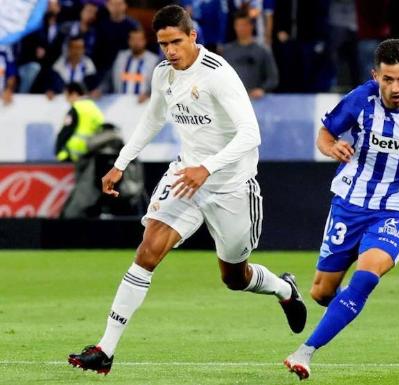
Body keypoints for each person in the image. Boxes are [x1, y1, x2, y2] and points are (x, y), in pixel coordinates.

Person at [67, 5, 306, 375]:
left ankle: (284, 289)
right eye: (163, 44)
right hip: (185, 178)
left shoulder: (218, 75)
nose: (170, 51)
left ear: (193, 36)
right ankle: (105, 349)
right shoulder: (163, 73)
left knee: (234, 278)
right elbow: (153, 118)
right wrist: (121, 163)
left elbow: (251, 134)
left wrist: (207, 168)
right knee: (147, 251)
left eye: (176, 42)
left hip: (229, 185)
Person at [283, 38, 399, 380]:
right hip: (350, 204)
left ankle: (305, 351)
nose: (396, 88)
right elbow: (325, 133)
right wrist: (332, 147)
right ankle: (335, 304)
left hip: (397, 211)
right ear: (375, 75)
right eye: (387, 79)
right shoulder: (360, 99)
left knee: (366, 278)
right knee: (322, 293)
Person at [222, 10, 278, 99]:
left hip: (256, 101)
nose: (241, 28)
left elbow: (273, 78)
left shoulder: (262, 51)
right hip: (231, 100)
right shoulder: (226, 51)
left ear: (251, 26)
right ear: (234, 27)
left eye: (244, 25)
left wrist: (262, 89)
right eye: (238, 25)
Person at [55, 82, 104, 162]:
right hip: (92, 154)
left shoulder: (76, 108)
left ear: (74, 94)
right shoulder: (95, 108)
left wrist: (58, 152)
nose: (66, 100)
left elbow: (65, 132)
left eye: (67, 96)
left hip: (73, 156)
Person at [109, 28, 159, 103]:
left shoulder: (154, 60)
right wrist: (100, 89)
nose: (136, 43)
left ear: (145, 41)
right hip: (120, 102)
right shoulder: (120, 57)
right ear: (129, 41)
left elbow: (159, 85)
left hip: (143, 104)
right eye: (133, 39)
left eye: (139, 40)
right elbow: (109, 78)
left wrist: (148, 94)